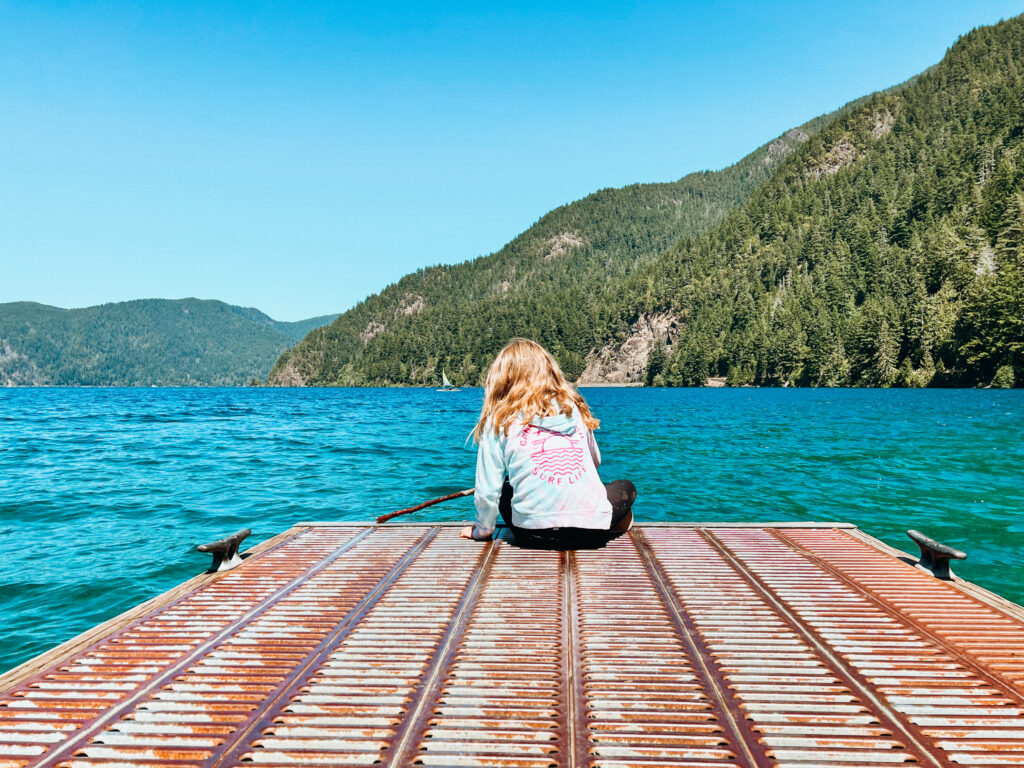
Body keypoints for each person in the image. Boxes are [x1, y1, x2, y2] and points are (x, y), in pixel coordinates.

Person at [459, 338, 636, 545]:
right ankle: (609, 520)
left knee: (506, 488)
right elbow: (594, 463)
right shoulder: (573, 409)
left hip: (530, 534)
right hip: (590, 533)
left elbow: (487, 491)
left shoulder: (499, 419)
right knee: (625, 486)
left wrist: (482, 531)